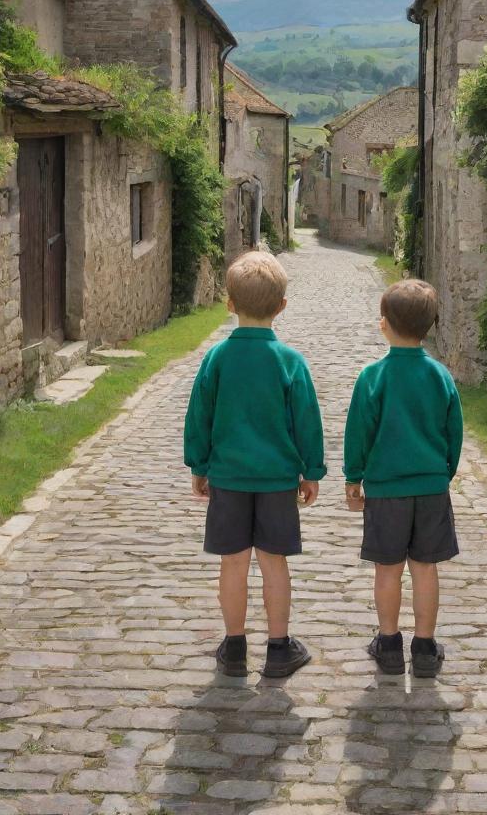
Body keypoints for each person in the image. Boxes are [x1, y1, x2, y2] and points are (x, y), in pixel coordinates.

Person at [184, 251, 325, 678]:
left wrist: (199, 466)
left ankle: (234, 647)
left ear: (229, 304)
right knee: (274, 562)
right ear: (282, 307)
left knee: (232, 562)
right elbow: (308, 420)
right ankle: (279, 648)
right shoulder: (290, 362)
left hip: (228, 478)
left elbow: (199, 416)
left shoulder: (216, 359)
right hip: (277, 480)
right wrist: (312, 471)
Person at [343, 279, 463, 677]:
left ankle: (390, 643)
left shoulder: (373, 378)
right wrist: (444, 471)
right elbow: (454, 431)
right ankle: (425, 648)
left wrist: (354, 477)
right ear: (430, 326)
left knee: (388, 569)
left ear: (384, 325)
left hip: (387, 492)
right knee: (426, 568)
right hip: (430, 488)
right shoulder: (440, 377)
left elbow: (358, 432)